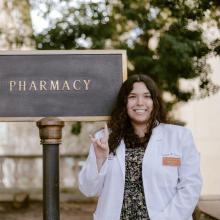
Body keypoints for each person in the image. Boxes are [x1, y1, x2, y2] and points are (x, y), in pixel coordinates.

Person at [78, 74, 202, 220]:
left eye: (146, 96)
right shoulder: (104, 138)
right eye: (132, 97)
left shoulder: (179, 137)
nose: (139, 102)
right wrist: (100, 159)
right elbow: (88, 189)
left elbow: (190, 187)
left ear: (155, 101)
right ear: (124, 102)